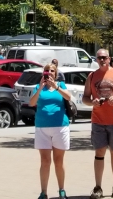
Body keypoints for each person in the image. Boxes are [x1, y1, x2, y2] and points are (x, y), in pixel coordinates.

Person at [84, 48, 113, 199]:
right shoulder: (91, 76)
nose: (102, 60)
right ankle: (98, 187)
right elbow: (85, 98)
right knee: (99, 152)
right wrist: (92, 102)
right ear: (96, 60)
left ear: (109, 59)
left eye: (104, 57)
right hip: (98, 120)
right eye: (99, 58)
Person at [30, 64, 71, 199]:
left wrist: (56, 87)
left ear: (56, 73)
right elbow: (32, 103)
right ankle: (43, 192)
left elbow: (68, 97)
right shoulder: (38, 87)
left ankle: (61, 190)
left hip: (60, 127)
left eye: (52, 71)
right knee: (45, 161)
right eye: (47, 71)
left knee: (59, 160)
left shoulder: (61, 85)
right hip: (42, 127)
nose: (49, 73)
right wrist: (41, 87)